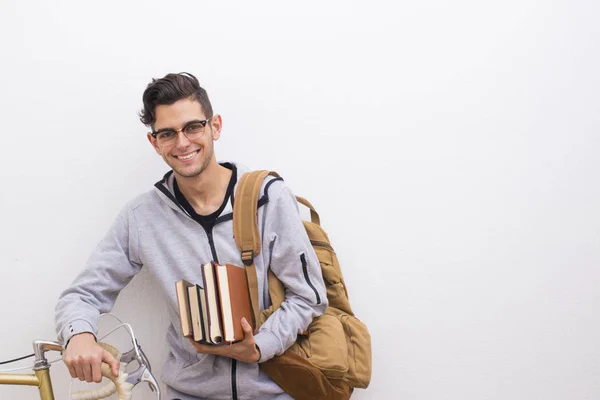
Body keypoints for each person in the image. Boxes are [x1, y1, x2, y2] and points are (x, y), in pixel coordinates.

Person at [55, 72, 328, 400]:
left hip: (276, 389)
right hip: (190, 393)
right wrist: (79, 335)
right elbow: (81, 295)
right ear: (154, 142)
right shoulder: (141, 217)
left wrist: (258, 348)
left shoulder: (267, 197)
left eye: (192, 127)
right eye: (167, 133)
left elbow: (309, 296)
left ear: (215, 126)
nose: (182, 143)